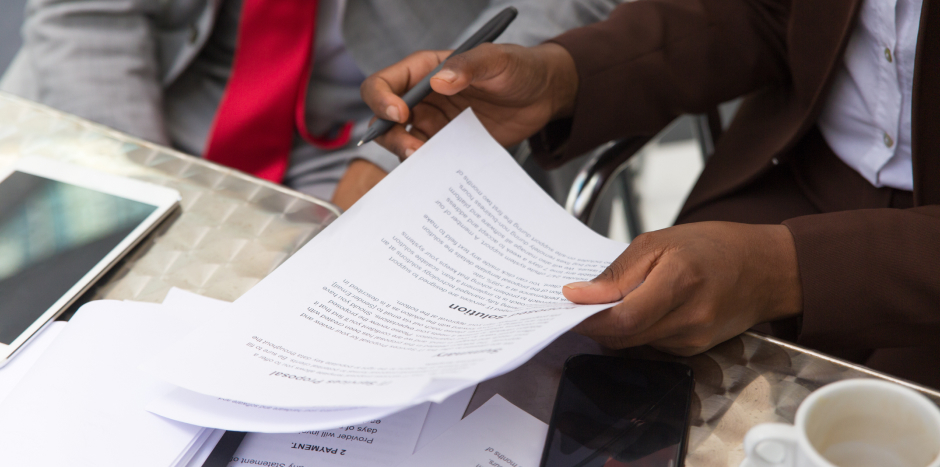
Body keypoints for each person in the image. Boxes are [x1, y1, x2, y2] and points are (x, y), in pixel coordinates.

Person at [361, 0, 940, 388]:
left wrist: (781, 270)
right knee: (594, 387)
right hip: (788, 178)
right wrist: (563, 76)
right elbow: (761, 13)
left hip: (912, 270)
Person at [0, 0, 625, 209]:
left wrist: (391, 161)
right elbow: (86, 17)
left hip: (395, 119)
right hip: (148, 90)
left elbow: (564, 14)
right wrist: (139, 179)